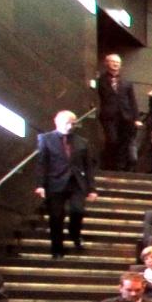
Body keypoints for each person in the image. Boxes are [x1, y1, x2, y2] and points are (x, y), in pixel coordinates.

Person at [32, 110, 94, 257]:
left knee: (78, 210)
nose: (70, 127)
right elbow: (42, 163)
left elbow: (88, 166)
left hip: (76, 182)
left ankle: (74, 233)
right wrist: (40, 185)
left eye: (73, 123)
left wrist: (91, 188)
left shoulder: (82, 142)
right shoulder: (46, 139)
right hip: (55, 182)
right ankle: (57, 249)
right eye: (67, 123)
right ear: (57, 122)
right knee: (56, 216)